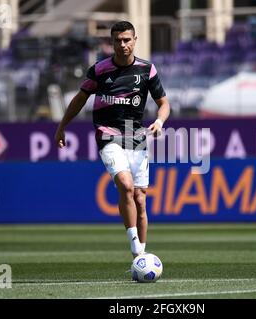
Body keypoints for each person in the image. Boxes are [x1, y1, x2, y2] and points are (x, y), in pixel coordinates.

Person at [54, 21, 170, 258]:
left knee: (140, 199)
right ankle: (136, 249)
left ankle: (141, 256)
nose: (123, 44)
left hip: (135, 135)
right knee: (126, 186)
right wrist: (62, 126)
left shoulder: (147, 70)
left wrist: (159, 122)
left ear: (135, 40)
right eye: (118, 40)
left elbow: (164, 104)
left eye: (127, 39)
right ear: (112, 42)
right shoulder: (99, 70)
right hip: (108, 134)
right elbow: (79, 99)